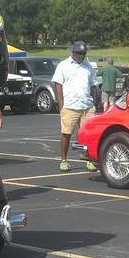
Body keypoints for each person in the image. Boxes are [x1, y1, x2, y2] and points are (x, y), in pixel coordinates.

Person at [54, 42, 100, 171]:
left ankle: (89, 159)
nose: (82, 55)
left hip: (87, 106)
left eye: (84, 53)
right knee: (66, 134)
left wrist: (94, 101)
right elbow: (58, 85)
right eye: (79, 53)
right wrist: (61, 105)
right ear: (73, 52)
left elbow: (93, 85)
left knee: (87, 135)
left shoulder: (88, 66)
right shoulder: (63, 65)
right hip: (70, 106)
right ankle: (64, 160)